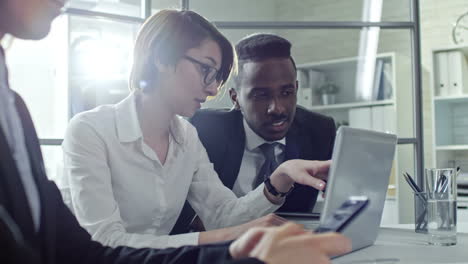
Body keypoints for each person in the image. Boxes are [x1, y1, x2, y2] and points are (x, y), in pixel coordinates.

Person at [0, 1, 351, 263]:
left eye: (216, 78)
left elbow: (223, 214)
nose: (212, 89)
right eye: (206, 71)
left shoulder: (187, 136)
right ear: (162, 58)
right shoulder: (90, 131)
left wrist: (279, 179)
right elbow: (104, 240)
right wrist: (226, 238)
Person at [173, 34, 336, 233]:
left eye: (286, 92)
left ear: (296, 88)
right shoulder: (206, 130)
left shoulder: (319, 130)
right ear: (236, 98)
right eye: (261, 95)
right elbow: (198, 218)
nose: (277, 108)